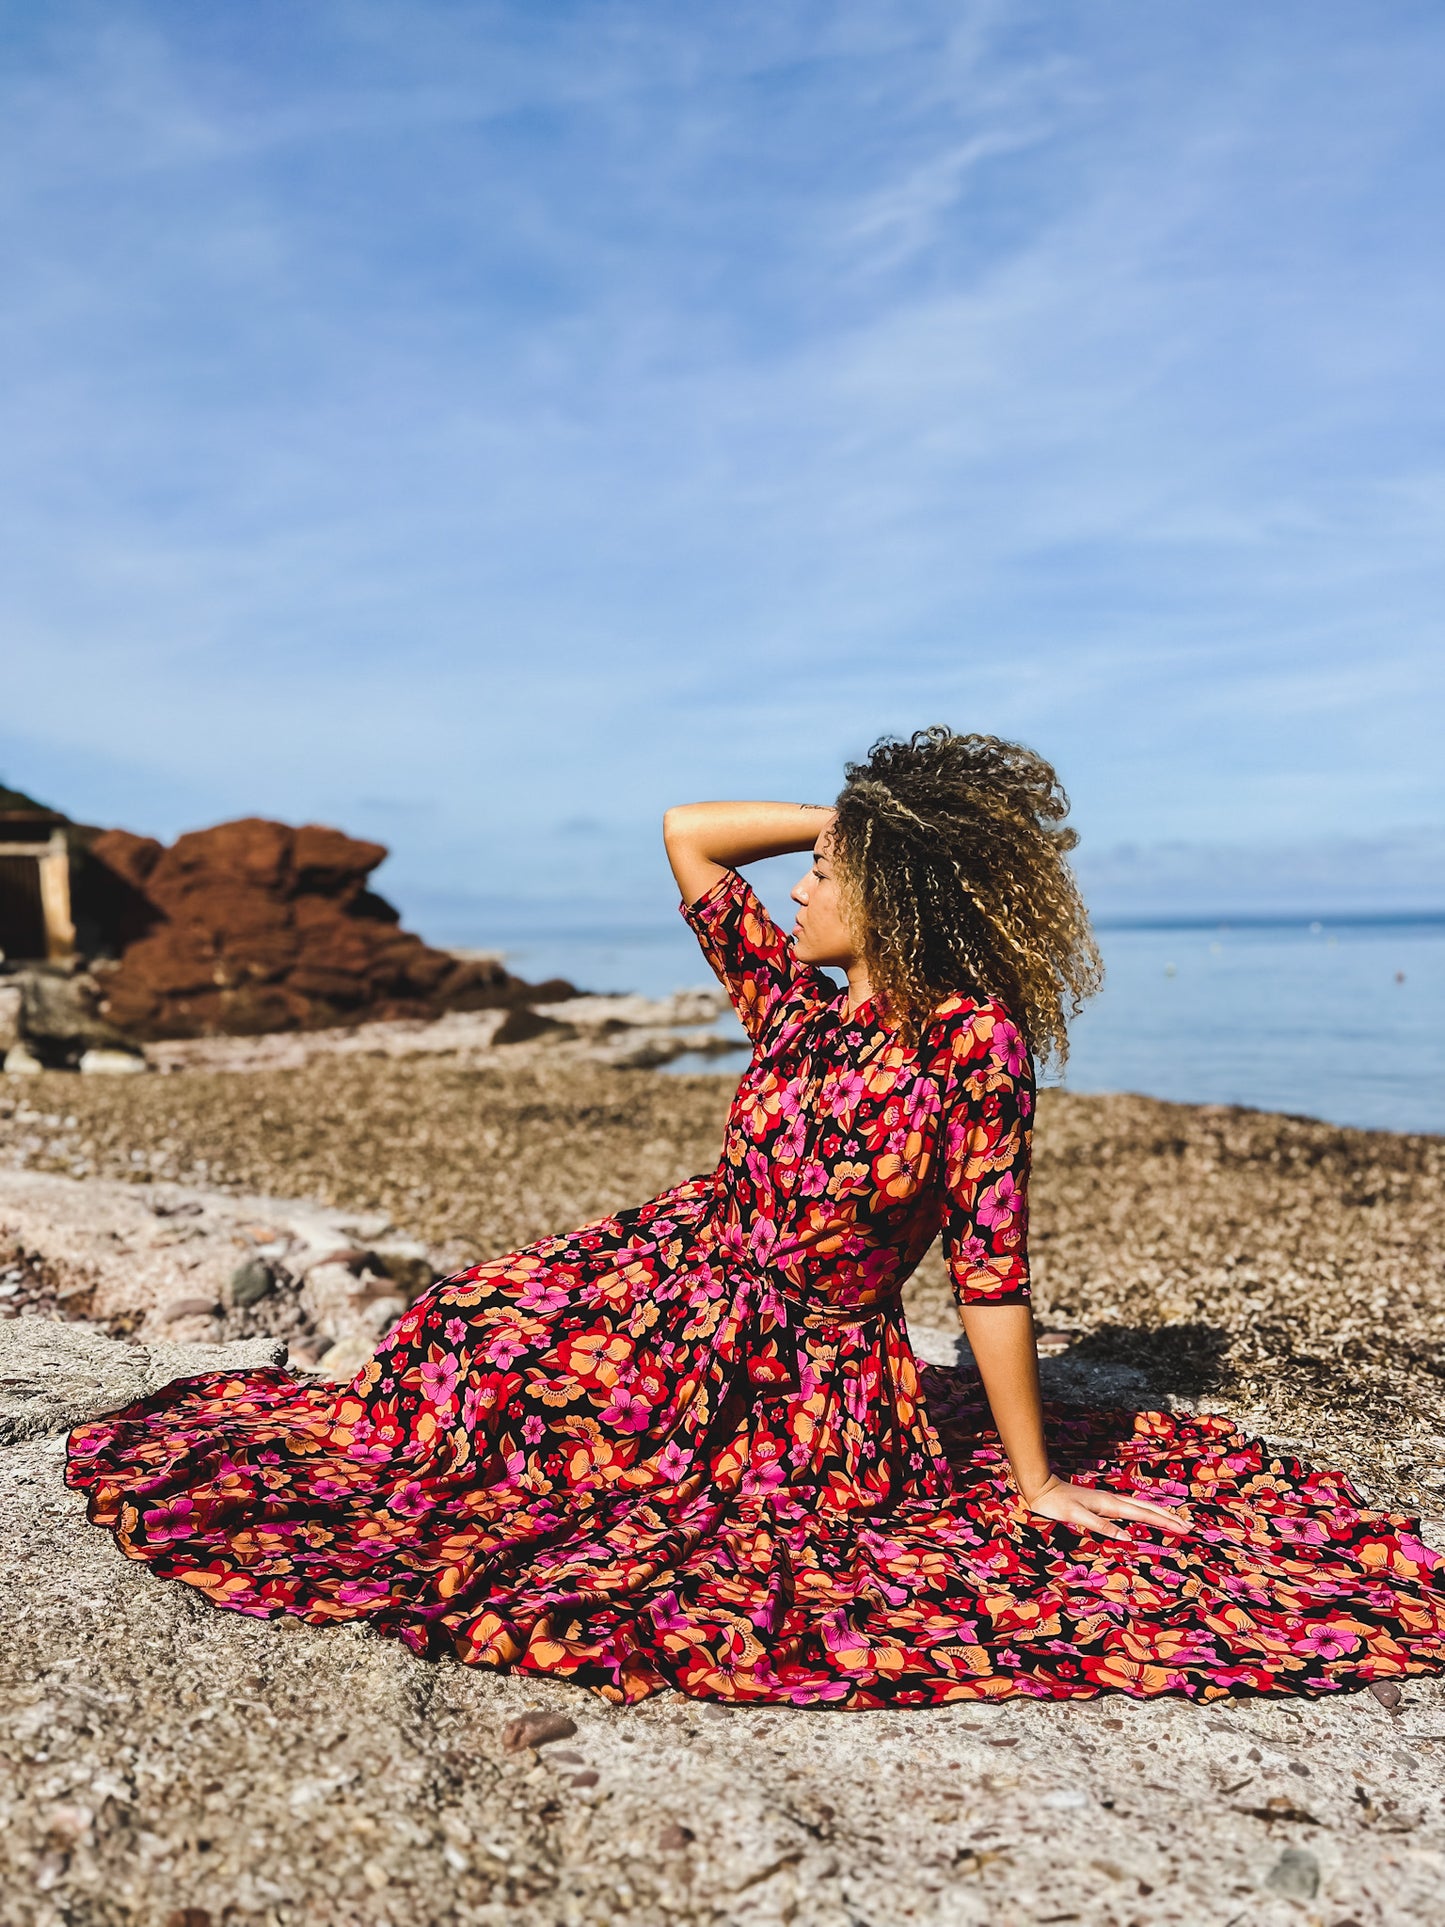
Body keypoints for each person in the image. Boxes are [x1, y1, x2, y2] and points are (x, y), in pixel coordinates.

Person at [68, 729, 1445, 1707]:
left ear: (890, 902)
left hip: (804, 1371)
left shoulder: (974, 1048)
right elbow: (685, 831)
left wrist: (1029, 1482)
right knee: (452, 1336)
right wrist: (857, 818)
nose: (797, 886)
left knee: (617, 1511)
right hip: (665, 1274)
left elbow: (990, 1278)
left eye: (829, 875)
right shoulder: (792, 1000)